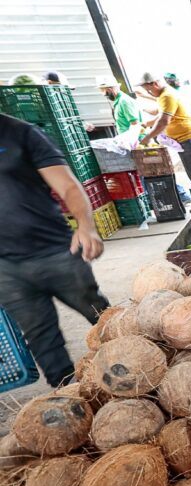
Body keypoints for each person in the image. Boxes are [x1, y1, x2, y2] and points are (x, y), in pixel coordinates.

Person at [0, 114, 109, 387]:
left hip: (56, 251)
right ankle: (70, 401)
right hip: (6, 268)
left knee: (101, 316)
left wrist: (86, 225)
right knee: (41, 338)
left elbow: (68, 186)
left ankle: (137, 366)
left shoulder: (21, 132)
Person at [137, 72, 191, 185]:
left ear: (155, 84)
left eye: (149, 90)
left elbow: (164, 121)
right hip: (190, 139)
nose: (149, 93)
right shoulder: (164, 95)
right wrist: (147, 123)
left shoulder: (167, 96)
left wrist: (148, 137)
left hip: (188, 140)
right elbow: (163, 115)